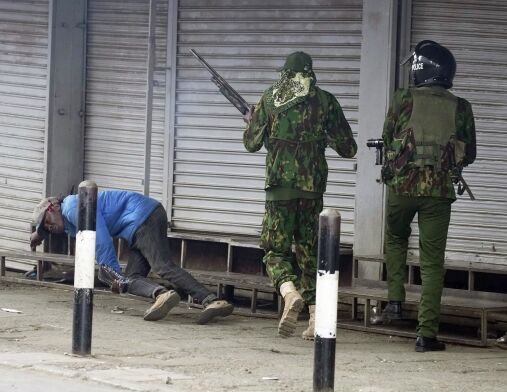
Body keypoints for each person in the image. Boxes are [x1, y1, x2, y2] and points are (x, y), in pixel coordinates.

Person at [242, 51, 357, 339]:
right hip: (312, 190)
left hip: (279, 189)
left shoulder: (270, 98)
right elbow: (349, 148)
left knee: (275, 250)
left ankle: (289, 292)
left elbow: (251, 144)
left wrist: (253, 121)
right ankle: (317, 319)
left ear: (285, 73)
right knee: (310, 252)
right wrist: (321, 137)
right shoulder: (326, 101)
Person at [378, 40, 476, 352]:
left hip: (402, 188)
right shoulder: (461, 107)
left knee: (395, 238)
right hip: (438, 193)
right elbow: (470, 154)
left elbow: (386, 137)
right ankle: (426, 335)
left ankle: (394, 302)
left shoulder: (402, 99)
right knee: (432, 263)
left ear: (420, 70)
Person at [30, 191, 234, 324]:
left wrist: (112, 272)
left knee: (161, 266)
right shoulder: (67, 218)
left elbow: (100, 238)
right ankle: (162, 294)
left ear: (53, 207)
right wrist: (38, 234)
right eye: (45, 228)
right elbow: (55, 228)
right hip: (137, 225)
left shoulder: (73, 207)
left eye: (47, 221)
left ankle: (212, 300)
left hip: (143, 217)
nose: (49, 228)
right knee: (133, 277)